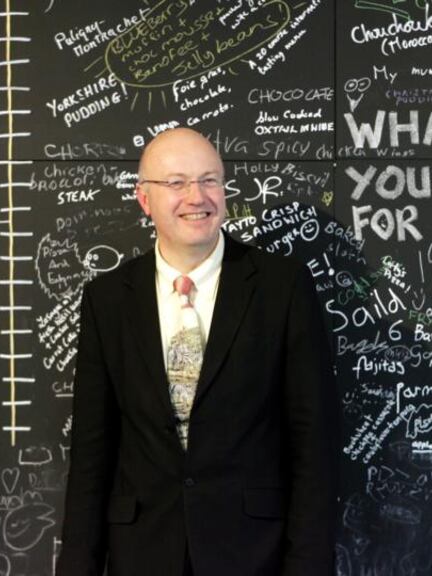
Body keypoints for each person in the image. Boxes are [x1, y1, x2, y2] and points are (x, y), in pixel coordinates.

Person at [57, 128, 339, 576]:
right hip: (140, 554)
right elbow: (92, 452)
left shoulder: (281, 287)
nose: (197, 196)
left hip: (254, 554)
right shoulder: (107, 299)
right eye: (177, 183)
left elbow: (314, 445)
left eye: (210, 180)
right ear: (144, 199)